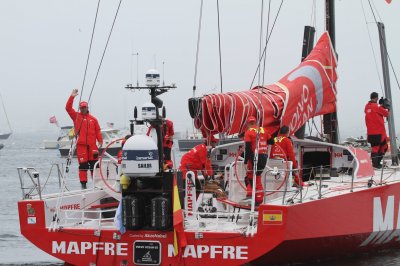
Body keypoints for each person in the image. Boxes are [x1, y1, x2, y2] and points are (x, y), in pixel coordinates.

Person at [66, 89, 103, 189]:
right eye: (81, 108)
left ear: (87, 108)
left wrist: (100, 141)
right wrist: (72, 96)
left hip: (92, 147)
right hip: (81, 146)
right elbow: (68, 108)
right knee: (83, 167)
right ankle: (83, 186)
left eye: (84, 107)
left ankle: (97, 185)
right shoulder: (76, 117)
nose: (83, 109)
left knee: (95, 166)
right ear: (80, 108)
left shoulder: (93, 119)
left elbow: (98, 131)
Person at [243, 116, 274, 205]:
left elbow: (248, 149)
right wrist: (263, 140)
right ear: (255, 123)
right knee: (256, 177)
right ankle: (255, 197)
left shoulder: (248, 132)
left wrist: (245, 162)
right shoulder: (263, 130)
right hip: (264, 156)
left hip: (255, 156)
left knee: (252, 177)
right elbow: (272, 141)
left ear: (248, 124)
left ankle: (254, 198)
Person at [365, 92, 389, 168]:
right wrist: (387, 107)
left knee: (375, 147)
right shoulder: (377, 107)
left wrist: (381, 105)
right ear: (376, 98)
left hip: (371, 132)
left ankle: (376, 164)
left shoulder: (367, 106)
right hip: (379, 132)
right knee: (382, 147)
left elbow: (373, 111)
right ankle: (376, 164)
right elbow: (386, 113)